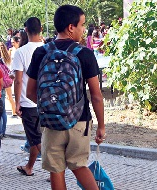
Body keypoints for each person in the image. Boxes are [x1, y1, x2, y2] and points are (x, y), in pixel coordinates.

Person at [26, 5, 106, 189]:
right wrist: (101, 125)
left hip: (51, 122)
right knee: (79, 166)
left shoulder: (41, 52)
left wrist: (51, 106)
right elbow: (96, 96)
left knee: (56, 169)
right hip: (79, 121)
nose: (83, 29)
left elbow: (30, 92)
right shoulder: (84, 54)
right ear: (71, 27)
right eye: (82, 25)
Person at [12, 17, 43, 176]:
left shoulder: (20, 52)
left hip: (28, 101)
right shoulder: (47, 48)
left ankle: (57, 170)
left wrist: (16, 103)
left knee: (36, 141)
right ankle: (29, 167)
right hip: (46, 101)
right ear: (41, 29)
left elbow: (18, 81)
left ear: (25, 30)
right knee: (36, 138)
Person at [0, 42, 16, 117]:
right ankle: (13, 111)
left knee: (7, 97)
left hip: (3, 79)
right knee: (10, 96)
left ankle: (14, 111)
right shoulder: (7, 57)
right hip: (8, 79)